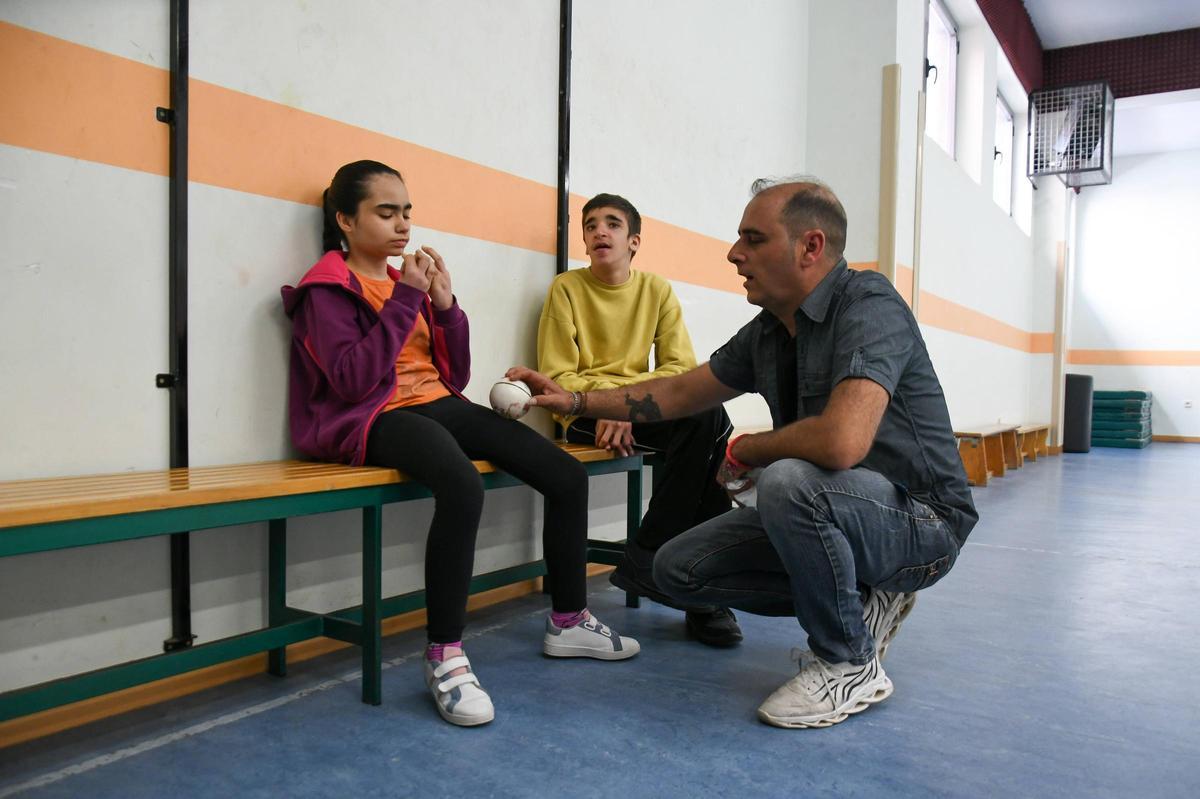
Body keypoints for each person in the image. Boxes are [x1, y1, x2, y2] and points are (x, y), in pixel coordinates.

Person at [509, 176, 977, 729]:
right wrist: (577, 399)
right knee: (676, 571)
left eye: (753, 239)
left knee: (785, 480)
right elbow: (680, 392)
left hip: (922, 524)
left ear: (811, 248)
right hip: (836, 508)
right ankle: (863, 596)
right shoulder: (768, 332)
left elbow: (841, 441)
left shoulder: (869, 305)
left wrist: (748, 448)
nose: (734, 254)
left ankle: (848, 661)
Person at [281, 160, 639, 728]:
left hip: (435, 403)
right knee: (462, 484)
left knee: (566, 474)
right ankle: (444, 655)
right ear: (345, 220)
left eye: (407, 213)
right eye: (385, 212)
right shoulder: (325, 288)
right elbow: (351, 381)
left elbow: (456, 373)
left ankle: (568, 622)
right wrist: (406, 299)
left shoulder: (409, 286)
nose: (402, 225)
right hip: (370, 417)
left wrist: (444, 306)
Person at [537, 193, 742, 647]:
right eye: (590, 225)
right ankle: (695, 588)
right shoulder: (566, 289)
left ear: (634, 242)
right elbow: (557, 377)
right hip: (585, 413)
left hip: (636, 410)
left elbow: (680, 368)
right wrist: (616, 405)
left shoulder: (656, 290)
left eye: (612, 224)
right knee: (714, 435)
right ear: (586, 241)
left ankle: (656, 557)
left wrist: (631, 404)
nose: (599, 232)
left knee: (707, 415)